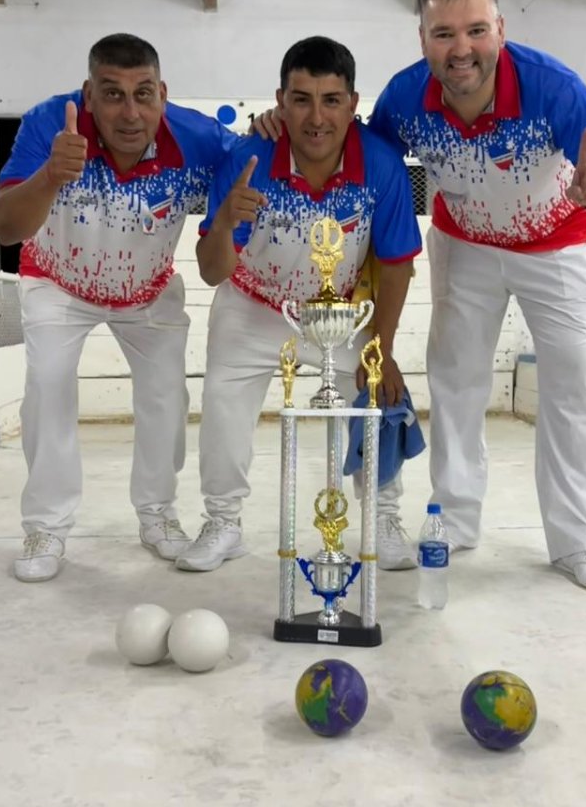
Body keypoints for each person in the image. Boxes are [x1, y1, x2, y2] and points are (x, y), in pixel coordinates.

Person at [367, 0, 586, 591]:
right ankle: (457, 519)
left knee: (572, 388)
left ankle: (577, 542)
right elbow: (363, 161)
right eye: (443, 34)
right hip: (464, 247)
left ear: (499, 27)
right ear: (422, 40)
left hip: (556, 248)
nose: (460, 49)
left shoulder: (555, 87)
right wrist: (275, 132)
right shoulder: (404, 96)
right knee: (456, 380)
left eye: (475, 30)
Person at [0, 33, 237, 583]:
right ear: (88, 95)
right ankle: (47, 526)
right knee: (48, 387)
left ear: (163, 93)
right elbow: (5, 226)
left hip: (148, 289)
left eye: (143, 94)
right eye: (112, 94)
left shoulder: (200, 139)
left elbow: (252, 159)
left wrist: (269, 127)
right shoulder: (48, 123)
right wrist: (51, 174)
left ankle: (157, 516)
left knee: (167, 396)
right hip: (57, 282)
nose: (130, 112)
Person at [175, 36, 423, 574]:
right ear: (280, 101)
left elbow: (399, 262)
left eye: (331, 100)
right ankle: (223, 521)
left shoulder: (380, 165)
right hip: (253, 305)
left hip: (337, 313)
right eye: (302, 98)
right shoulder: (248, 158)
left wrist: (380, 347)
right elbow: (212, 271)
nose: (316, 117)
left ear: (353, 104)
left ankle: (381, 516)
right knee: (222, 405)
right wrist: (221, 222)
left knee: (379, 395)